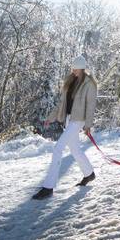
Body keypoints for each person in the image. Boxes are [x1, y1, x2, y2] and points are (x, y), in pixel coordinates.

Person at [32, 56, 97, 199]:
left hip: (78, 120)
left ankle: (48, 187)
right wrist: (51, 117)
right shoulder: (70, 81)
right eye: (73, 67)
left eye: (75, 68)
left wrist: (88, 125)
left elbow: (91, 105)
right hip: (68, 119)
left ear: (82, 67)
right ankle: (89, 173)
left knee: (58, 148)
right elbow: (61, 104)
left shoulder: (89, 84)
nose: (73, 70)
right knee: (75, 149)